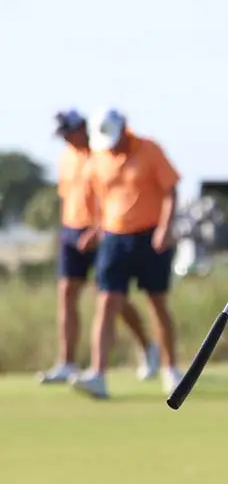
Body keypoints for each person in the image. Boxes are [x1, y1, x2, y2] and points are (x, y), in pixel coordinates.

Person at [38, 110, 157, 385]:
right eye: (63, 135)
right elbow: (68, 196)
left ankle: (147, 346)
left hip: (102, 231)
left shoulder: (102, 150)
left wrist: (98, 228)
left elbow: (111, 196)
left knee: (112, 297)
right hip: (71, 229)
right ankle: (67, 362)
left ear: (81, 128)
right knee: (67, 292)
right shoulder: (67, 156)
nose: (66, 139)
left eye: (69, 133)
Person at [70, 110, 183, 399]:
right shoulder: (98, 157)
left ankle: (171, 370)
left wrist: (165, 227)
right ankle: (98, 374)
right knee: (107, 301)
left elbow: (170, 191)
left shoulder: (149, 149)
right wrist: (95, 230)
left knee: (156, 302)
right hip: (113, 238)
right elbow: (101, 201)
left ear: (124, 130)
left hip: (150, 236)